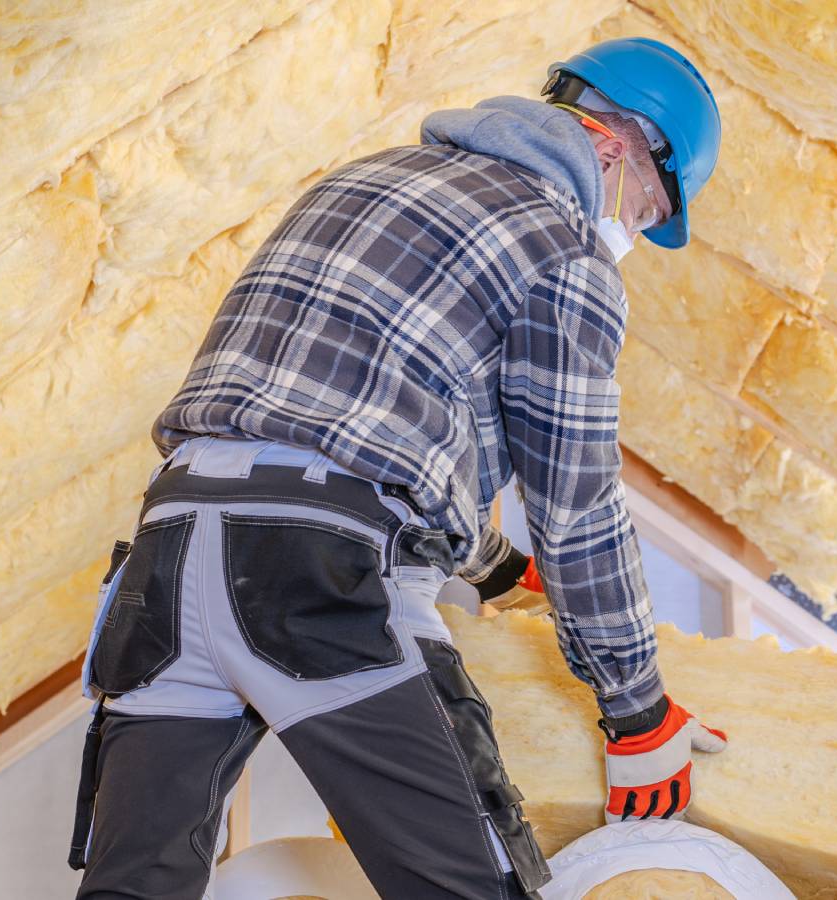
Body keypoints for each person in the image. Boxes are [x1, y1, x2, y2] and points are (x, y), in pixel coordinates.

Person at [67, 36, 726, 900]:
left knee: (133, 888)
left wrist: (490, 566)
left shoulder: (362, 177)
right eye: (645, 208)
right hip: (317, 572)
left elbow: (348, 409)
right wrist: (636, 712)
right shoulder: (562, 245)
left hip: (168, 553)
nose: (631, 230)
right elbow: (578, 504)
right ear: (616, 146)